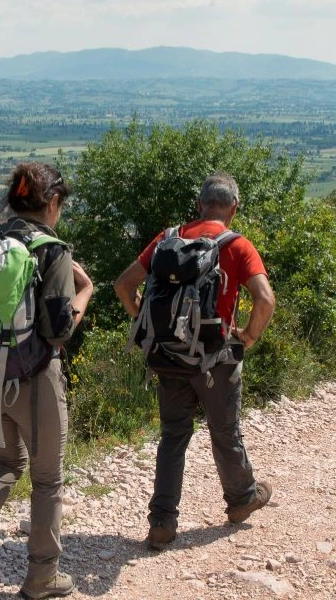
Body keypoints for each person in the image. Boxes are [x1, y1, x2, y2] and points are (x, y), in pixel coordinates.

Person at [0, 163, 92, 599]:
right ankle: (43, 578)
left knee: (7, 462)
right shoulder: (52, 250)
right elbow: (58, 331)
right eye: (60, 204)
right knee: (47, 480)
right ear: (51, 203)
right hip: (33, 384)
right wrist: (86, 290)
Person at [113, 172, 277, 551]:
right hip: (214, 360)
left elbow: (123, 284)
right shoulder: (237, 246)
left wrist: (145, 321)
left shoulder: (168, 239)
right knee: (224, 431)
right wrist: (247, 338)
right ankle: (241, 500)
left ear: (200, 204)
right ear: (233, 208)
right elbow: (265, 299)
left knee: (173, 437)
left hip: (168, 356)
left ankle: (162, 522)